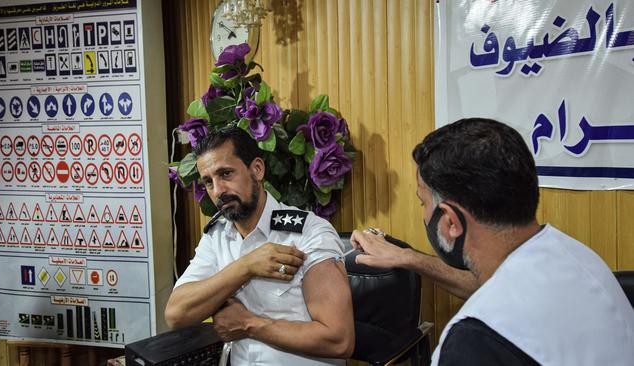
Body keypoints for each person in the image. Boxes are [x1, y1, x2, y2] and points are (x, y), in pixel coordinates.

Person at [350, 118, 634, 365]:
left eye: (422, 203)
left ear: (450, 221)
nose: (424, 215)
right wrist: (410, 258)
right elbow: (498, 286)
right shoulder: (574, 255)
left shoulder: (475, 340)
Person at [165, 127, 354, 366]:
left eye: (225, 174)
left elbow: (339, 340)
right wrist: (246, 266)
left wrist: (250, 324)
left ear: (257, 169)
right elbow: (175, 314)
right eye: (209, 182)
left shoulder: (309, 233)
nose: (218, 191)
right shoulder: (218, 236)